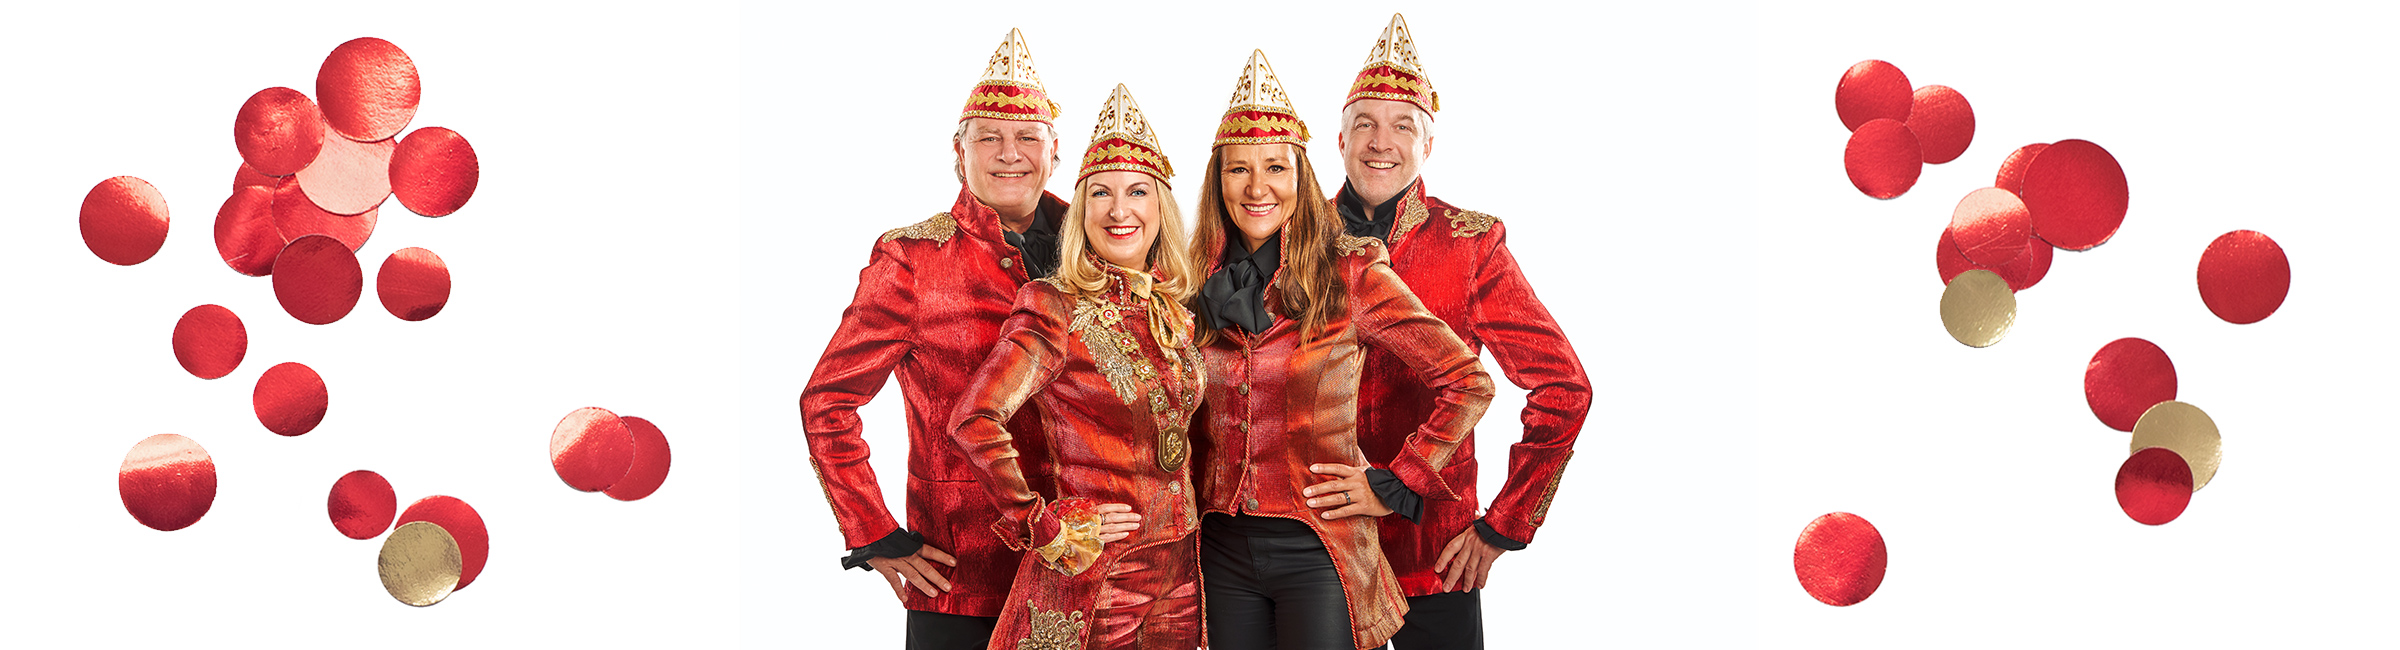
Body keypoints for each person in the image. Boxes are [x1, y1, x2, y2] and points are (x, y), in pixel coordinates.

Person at [1186, 49, 1495, 650]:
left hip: (1319, 547)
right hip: (1218, 548)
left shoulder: (1349, 270)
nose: (1256, 187)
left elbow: (1468, 381)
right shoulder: (1189, 277)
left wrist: (1397, 480)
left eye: (1276, 168)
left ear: (1301, 179)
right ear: (1216, 181)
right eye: (1237, 169)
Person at [799, 28, 1073, 650]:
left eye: (1028, 137)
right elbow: (827, 402)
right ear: (959, 151)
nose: (1010, 154)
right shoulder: (913, 260)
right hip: (963, 574)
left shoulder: (1101, 247)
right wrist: (872, 531)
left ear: (1054, 150)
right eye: (989, 138)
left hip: (1087, 571)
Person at [1330, 15, 1593, 650]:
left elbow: (1564, 389)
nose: (1380, 142)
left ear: (1429, 145)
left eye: (1402, 126)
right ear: (1340, 140)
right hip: (1319, 549)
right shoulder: (1292, 237)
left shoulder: (1470, 244)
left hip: (1436, 554)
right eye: (1365, 124)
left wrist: (1505, 525)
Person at [947, 84, 1204, 650]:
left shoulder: (1172, 309)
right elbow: (974, 419)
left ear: (1161, 207)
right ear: (1080, 211)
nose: (1119, 210)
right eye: (1101, 194)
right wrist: (1043, 524)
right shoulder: (1054, 306)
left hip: (1183, 572)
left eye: (1137, 191)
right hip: (1095, 574)